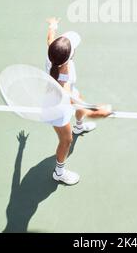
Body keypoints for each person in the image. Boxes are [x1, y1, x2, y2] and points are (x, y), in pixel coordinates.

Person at [46, 17, 112, 185]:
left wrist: (53, 26)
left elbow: (50, 39)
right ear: (70, 56)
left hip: (64, 96)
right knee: (66, 141)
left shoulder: (52, 54)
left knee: (79, 97)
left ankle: (79, 126)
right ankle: (59, 173)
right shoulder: (64, 80)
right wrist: (98, 112)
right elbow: (72, 103)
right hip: (57, 109)